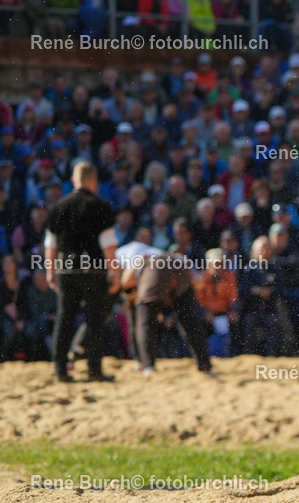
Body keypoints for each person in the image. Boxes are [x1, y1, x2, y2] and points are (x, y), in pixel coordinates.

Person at [44, 162, 120, 382]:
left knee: (65, 318)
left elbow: (50, 244)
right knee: (94, 320)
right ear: (94, 181)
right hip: (93, 270)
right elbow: (109, 246)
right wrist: (114, 273)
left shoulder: (59, 206)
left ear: (74, 180)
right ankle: (94, 370)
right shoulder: (100, 206)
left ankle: (60, 371)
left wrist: (50, 271)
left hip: (65, 269)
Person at [116, 240, 213, 375]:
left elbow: (126, 282)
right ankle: (204, 364)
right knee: (190, 321)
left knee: (145, 323)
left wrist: (144, 298)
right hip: (178, 263)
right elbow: (197, 280)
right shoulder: (147, 249)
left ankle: (148, 366)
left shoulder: (118, 255)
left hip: (155, 268)